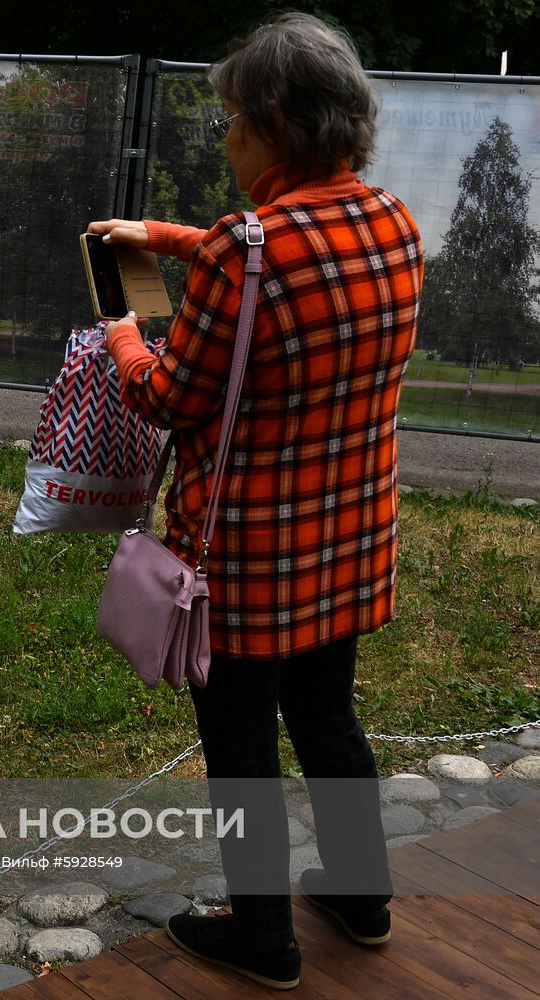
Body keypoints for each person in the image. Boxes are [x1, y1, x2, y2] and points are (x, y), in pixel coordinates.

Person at [90, 12, 423, 991]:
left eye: (234, 120)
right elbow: (286, 255)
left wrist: (121, 326)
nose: (226, 138)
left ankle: (263, 937)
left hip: (242, 566)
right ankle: (363, 900)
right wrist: (161, 238)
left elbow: (168, 395)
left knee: (240, 745)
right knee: (329, 719)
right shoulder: (395, 223)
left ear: (278, 123)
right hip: (349, 545)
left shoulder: (249, 251)